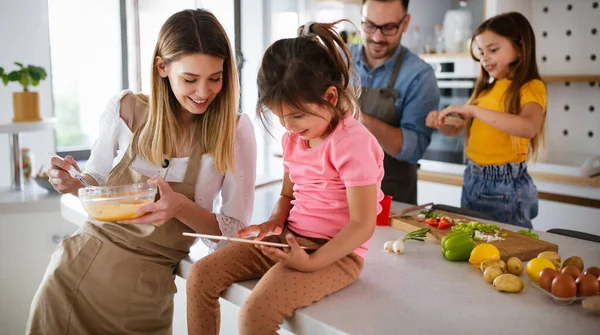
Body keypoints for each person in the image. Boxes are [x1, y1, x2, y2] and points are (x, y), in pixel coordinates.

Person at [26, 9, 256, 334]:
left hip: (144, 296)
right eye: (190, 79)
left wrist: (181, 207)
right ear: (162, 67)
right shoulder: (126, 110)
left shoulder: (234, 131)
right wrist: (70, 181)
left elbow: (233, 236)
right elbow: (96, 183)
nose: (203, 92)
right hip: (75, 276)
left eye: (214, 78)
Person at [185, 21, 385, 335]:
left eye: (297, 115)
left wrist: (312, 261)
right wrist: (273, 223)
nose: (288, 126)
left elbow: (362, 225)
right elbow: (288, 196)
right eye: (279, 116)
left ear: (331, 97)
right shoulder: (294, 139)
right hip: (290, 239)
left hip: (336, 254)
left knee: (256, 314)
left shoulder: (354, 144)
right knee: (200, 275)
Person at [425, 12, 546, 228]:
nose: (484, 58)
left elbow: (529, 127)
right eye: (481, 52)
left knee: (508, 251)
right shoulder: (485, 90)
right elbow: (457, 129)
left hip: (505, 187)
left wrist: (473, 110)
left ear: (520, 48)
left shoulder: (530, 87)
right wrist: (442, 122)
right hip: (472, 178)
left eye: (493, 49)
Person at [349, 0, 440, 204]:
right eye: (370, 25)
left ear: (405, 23)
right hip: (337, 195)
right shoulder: (339, 59)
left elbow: (414, 149)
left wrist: (360, 120)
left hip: (391, 199)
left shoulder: (419, 76)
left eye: (389, 27)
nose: (377, 37)